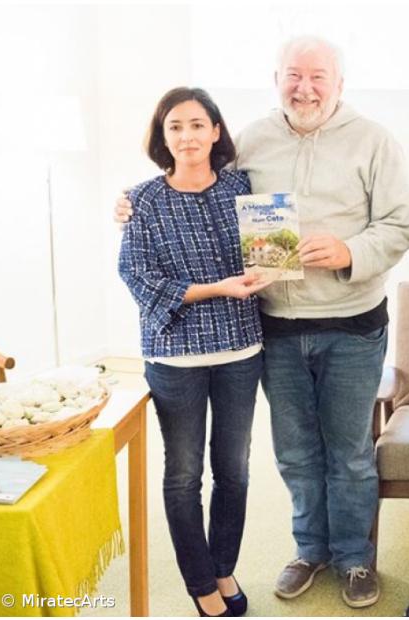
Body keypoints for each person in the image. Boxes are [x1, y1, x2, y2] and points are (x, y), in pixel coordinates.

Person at [115, 36, 409, 610]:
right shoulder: (251, 140)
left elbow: (401, 224)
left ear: (340, 83)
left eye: (318, 76)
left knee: (350, 451)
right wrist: (131, 202)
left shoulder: (375, 140)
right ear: (276, 79)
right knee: (295, 452)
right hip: (273, 325)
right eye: (293, 75)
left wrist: (350, 250)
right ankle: (309, 549)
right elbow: (194, 184)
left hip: (352, 324)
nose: (305, 88)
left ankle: (354, 556)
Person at [118, 87, 269, 617]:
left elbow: (270, 249)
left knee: (235, 470)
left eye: (197, 124)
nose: (187, 136)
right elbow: (136, 275)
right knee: (184, 475)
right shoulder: (142, 199)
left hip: (240, 349)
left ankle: (223, 568)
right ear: (162, 137)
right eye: (175, 127)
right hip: (174, 356)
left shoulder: (243, 188)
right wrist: (214, 289)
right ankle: (200, 583)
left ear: (216, 131)